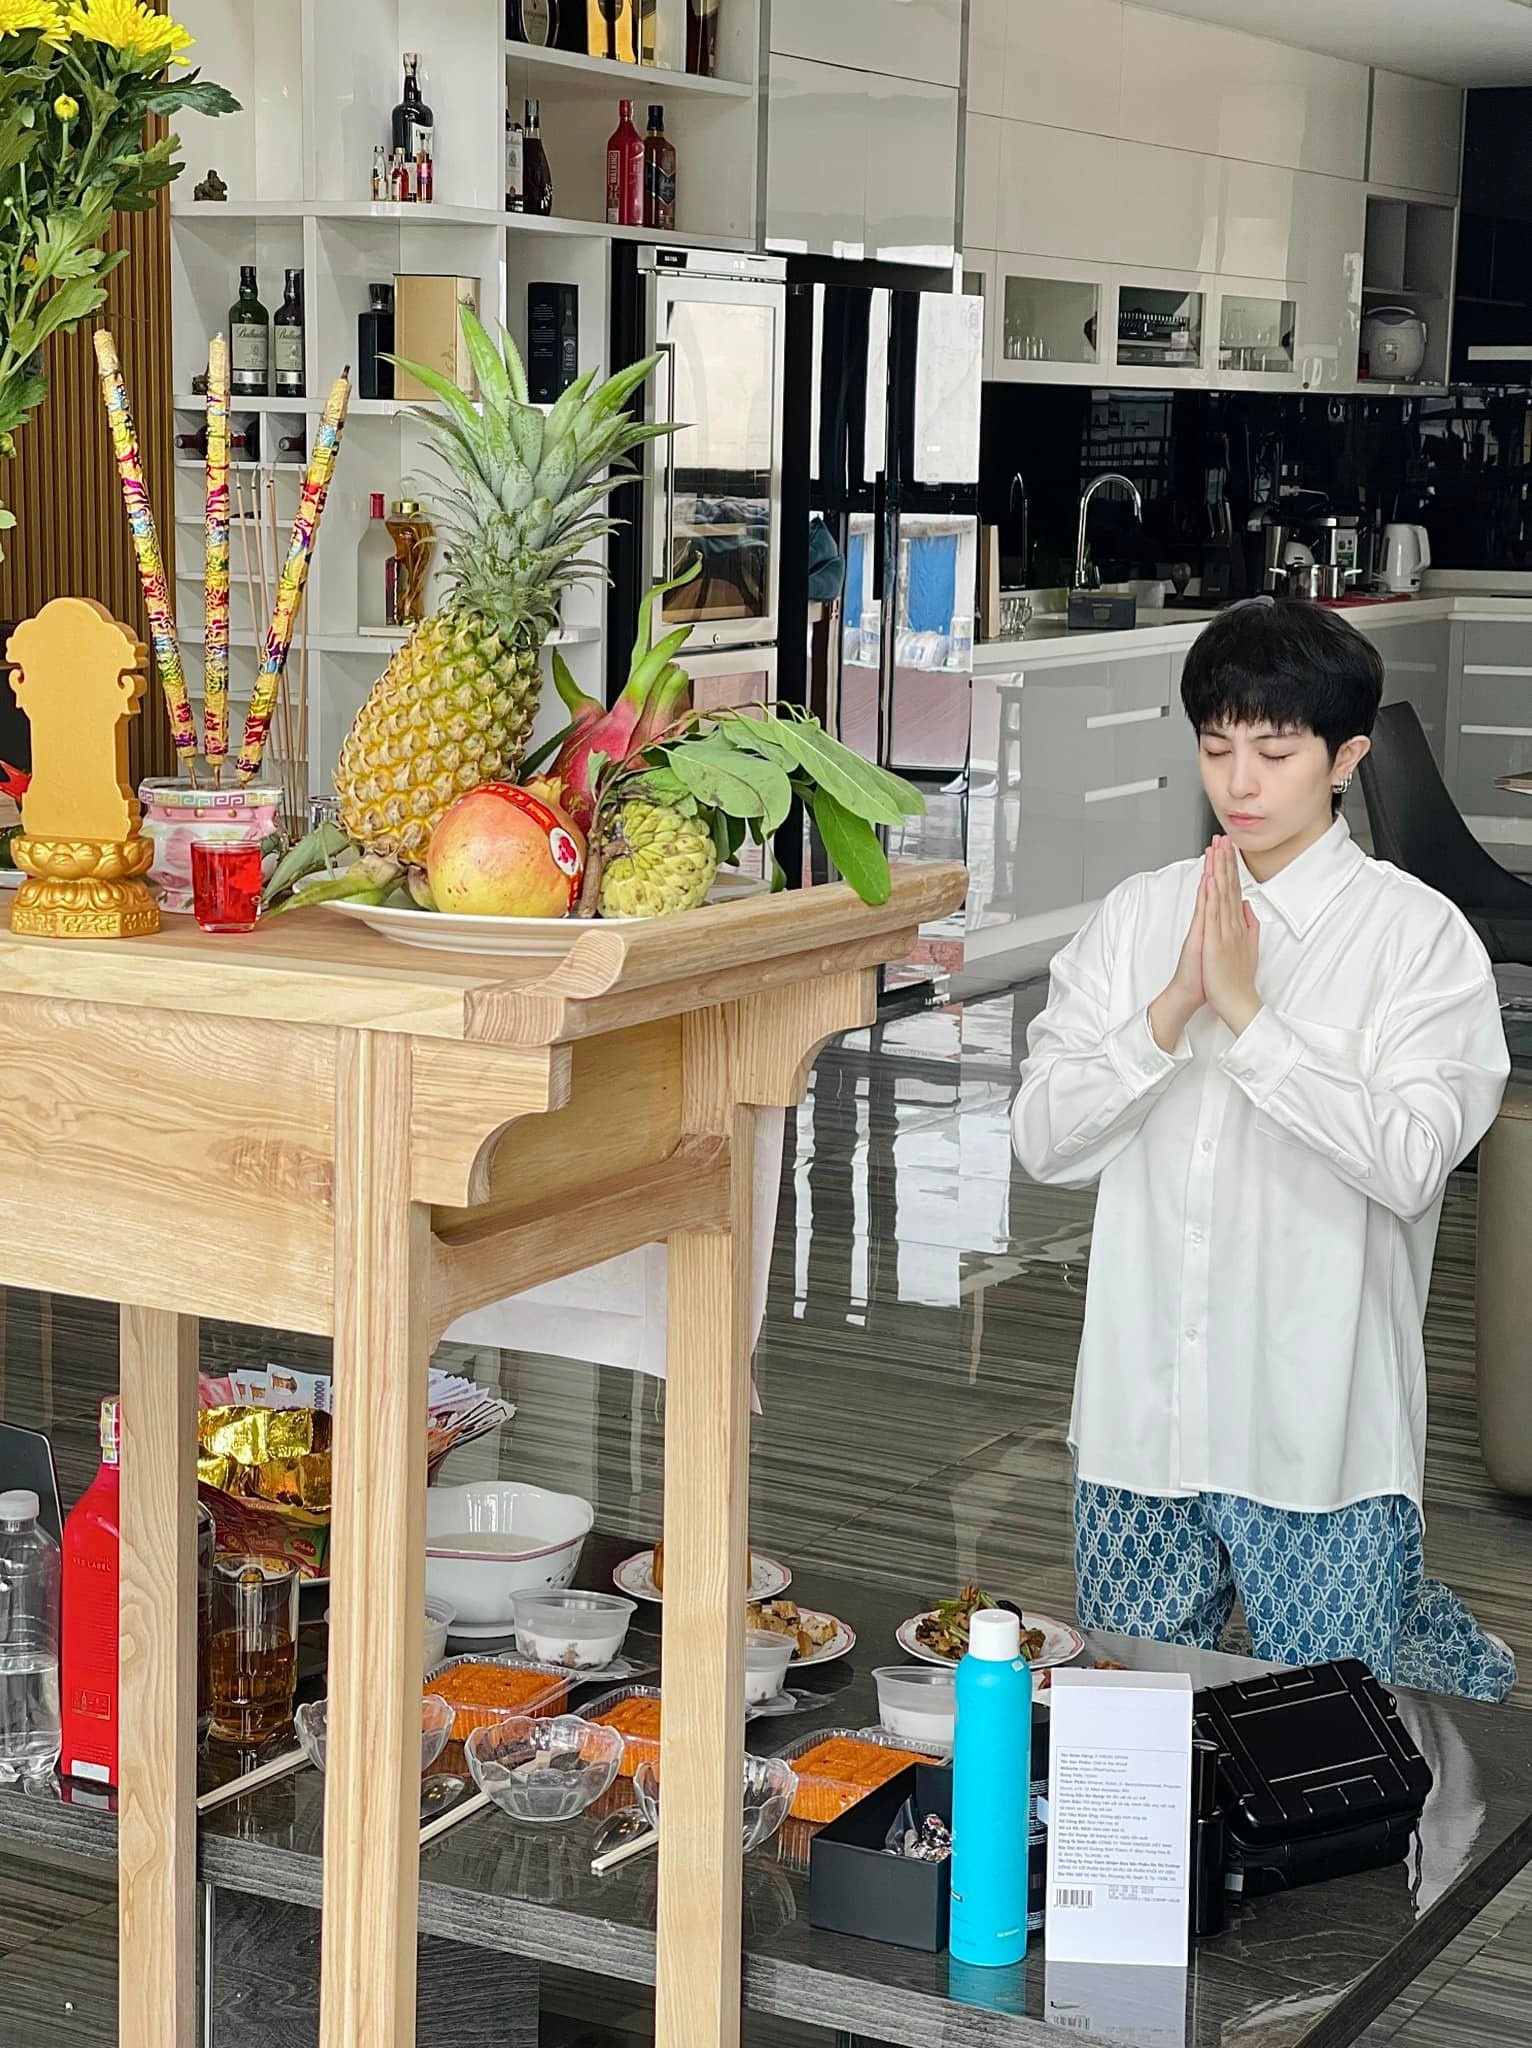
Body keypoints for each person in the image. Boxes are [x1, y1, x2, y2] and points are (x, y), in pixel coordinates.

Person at [1012, 597, 1514, 1700]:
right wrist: (1171, 1008)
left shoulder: (1418, 940)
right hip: (1137, 1425)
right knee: (1131, 1729)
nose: (1239, 782)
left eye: (1275, 752)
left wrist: (1246, 1016)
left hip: (1318, 1438)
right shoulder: (1137, 917)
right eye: (1215, 747)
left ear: (1346, 759)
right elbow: (1043, 1141)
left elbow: (1409, 1161)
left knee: (1325, 1733)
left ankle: (1447, 1675)